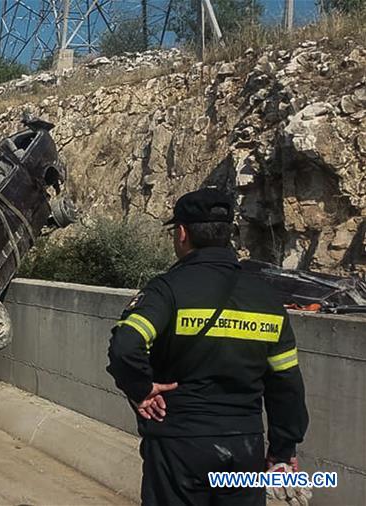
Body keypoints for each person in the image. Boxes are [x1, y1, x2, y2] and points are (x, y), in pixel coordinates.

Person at [106, 188, 308, 506]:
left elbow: (125, 346)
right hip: (244, 448)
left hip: (179, 446)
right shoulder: (268, 299)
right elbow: (287, 383)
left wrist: (142, 389)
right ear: (228, 234)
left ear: (183, 233)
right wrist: (283, 449)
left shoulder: (167, 290)